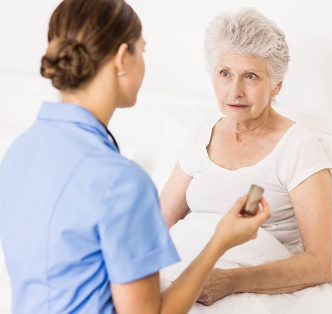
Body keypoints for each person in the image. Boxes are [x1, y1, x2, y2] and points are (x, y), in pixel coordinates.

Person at [0, 1, 269, 313]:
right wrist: (219, 242)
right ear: (121, 59)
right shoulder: (121, 182)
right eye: (142, 50)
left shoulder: (19, 151)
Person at [160, 8, 332, 306]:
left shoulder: (298, 148)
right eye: (225, 74)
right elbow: (156, 225)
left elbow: (320, 263)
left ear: (276, 86)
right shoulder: (202, 135)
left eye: (251, 76)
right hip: (183, 277)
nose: (235, 91)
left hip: (249, 290)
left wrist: (230, 282)